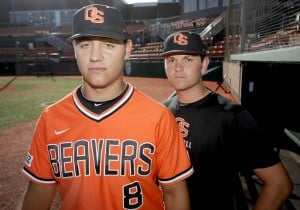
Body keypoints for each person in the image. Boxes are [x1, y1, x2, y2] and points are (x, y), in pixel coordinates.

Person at [20, 5, 193, 210]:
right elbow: (39, 191)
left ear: (127, 49)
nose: (95, 56)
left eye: (108, 45)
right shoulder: (51, 118)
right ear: (74, 49)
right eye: (85, 45)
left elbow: (174, 194)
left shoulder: (159, 117)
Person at [162, 30, 293, 210]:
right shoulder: (163, 110)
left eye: (188, 59)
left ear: (204, 64)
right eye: (171, 60)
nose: (178, 67)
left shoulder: (232, 115)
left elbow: (279, 184)